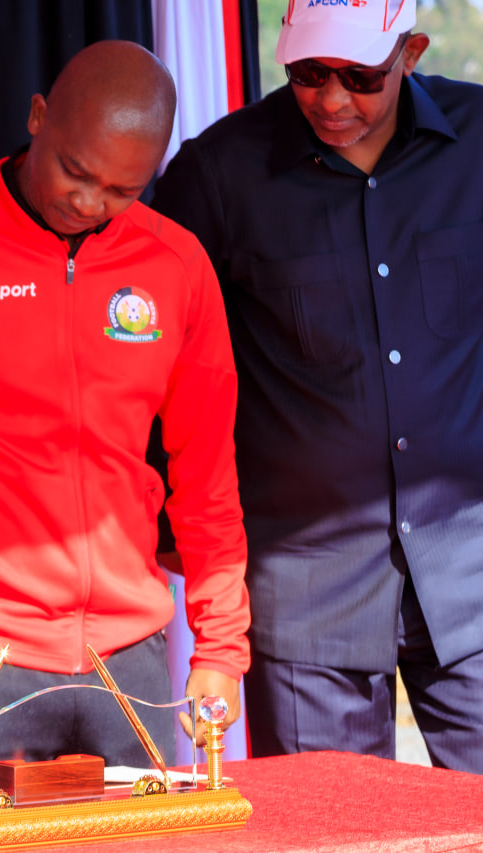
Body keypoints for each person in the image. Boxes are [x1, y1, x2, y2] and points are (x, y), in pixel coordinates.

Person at [0, 41, 249, 768]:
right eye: (75, 171)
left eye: (124, 191)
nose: (90, 203)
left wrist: (220, 644)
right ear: (38, 117)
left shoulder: (177, 265)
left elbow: (209, 476)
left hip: (129, 655)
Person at [150, 3, 483, 773]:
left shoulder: (476, 147)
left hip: (469, 573)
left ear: (412, 52)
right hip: (307, 591)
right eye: (308, 75)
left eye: (361, 78)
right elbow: (161, 358)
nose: (333, 100)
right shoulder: (219, 171)